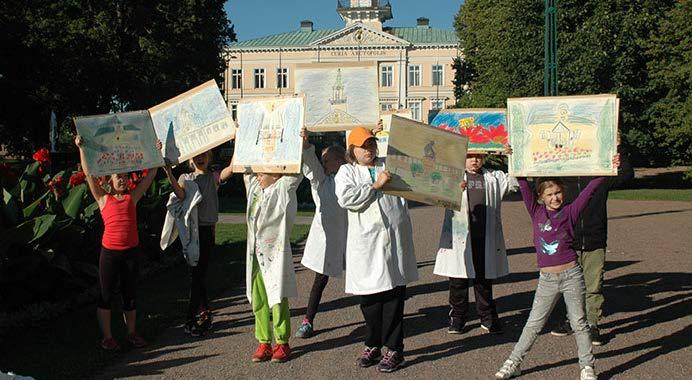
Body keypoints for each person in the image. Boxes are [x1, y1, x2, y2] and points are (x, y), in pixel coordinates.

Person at [494, 152, 620, 380]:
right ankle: (514, 362)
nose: (555, 198)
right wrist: (512, 156)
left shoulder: (570, 212)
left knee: (580, 323)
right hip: (547, 280)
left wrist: (608, 166)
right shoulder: (536, 212)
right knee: (533, 324)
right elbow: (522, 181)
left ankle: (587, 367)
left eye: (558, 192)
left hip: (572, 275)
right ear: (540, 197)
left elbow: (590, 190)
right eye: (550, 194)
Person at [334, 127, 418, 373]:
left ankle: (394, 349)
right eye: (363, 146)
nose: (369, 149)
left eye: (372, 144)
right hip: (366, 244)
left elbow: (419, 175)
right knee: (370, 300)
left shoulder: (390, 164)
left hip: (394, 238)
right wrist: (375, 186)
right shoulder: (346, 171)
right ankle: (373, 343)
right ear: (353, 150)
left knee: (393, 297)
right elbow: (346, 199)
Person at [74, 135, 159, 351]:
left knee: (130, 294)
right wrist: (82, 148)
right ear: (110, 180)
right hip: (110, 254)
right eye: (117, 177)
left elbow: (151, 175)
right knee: (105, 295)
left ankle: (131, 333)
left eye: (124, 176)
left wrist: (156, 150)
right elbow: (88, 174)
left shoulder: (133, 197)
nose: (121, 179)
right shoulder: (103, 199)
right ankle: (108, 338)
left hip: (131, 253)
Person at [550, 143, 633, 345]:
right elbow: (539, 180)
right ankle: (572, 319)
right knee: (570, 284)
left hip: (595, 239)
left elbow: (626, 176)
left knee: (593, 285)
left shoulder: (600, 175)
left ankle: (592, 324)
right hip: (568, 239)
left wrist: (620, 149)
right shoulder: (561, 179)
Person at [434, 149, 517, 334]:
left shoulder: (493, 177)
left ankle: (487, 317)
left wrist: (511, 156)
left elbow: (515, 182)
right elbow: (435, 195)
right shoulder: (453, 177)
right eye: (470, 157)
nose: (475, 161)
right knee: (458, 282)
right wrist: (451, 190)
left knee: (483, 281)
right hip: (459, 240)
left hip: (484, 237)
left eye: (479, 157)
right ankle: (458, 318)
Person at [162, 149, 234, 336]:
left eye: (204, 155)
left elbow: (231, 169)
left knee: (199, 274)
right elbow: (180, 195)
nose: (200, 158)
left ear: (209, 157)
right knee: (197, 275)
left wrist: (238, 136)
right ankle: (192, 318)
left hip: (208, 232)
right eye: (197, 156)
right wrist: (169, 172)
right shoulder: (186, 178)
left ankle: (202, 313)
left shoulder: (213, 177)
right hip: (193, 233)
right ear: (190, 160)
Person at [243, 160, 303, 363]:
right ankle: (263, 341)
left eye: (263, 171)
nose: (258, 174)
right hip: (255, 256)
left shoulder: (282, 189)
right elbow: (246, 168)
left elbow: (296, 173)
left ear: (276, 174)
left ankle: (282, 341)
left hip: (274, 255)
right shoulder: (254, 189)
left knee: (277, 297)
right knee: (259, 299)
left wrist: (301, 147)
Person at [295, 130, 348, 338]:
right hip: (328, 239)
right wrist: (307, 146)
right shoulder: (321, 183)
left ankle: (375, 317)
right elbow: (313, 167)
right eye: (323, 161)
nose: (324, 165)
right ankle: (308, 319)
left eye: (328, 161)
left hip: (352, 236)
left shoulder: (350, 178)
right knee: (320, 280)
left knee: (362, 276)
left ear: (341, 161)